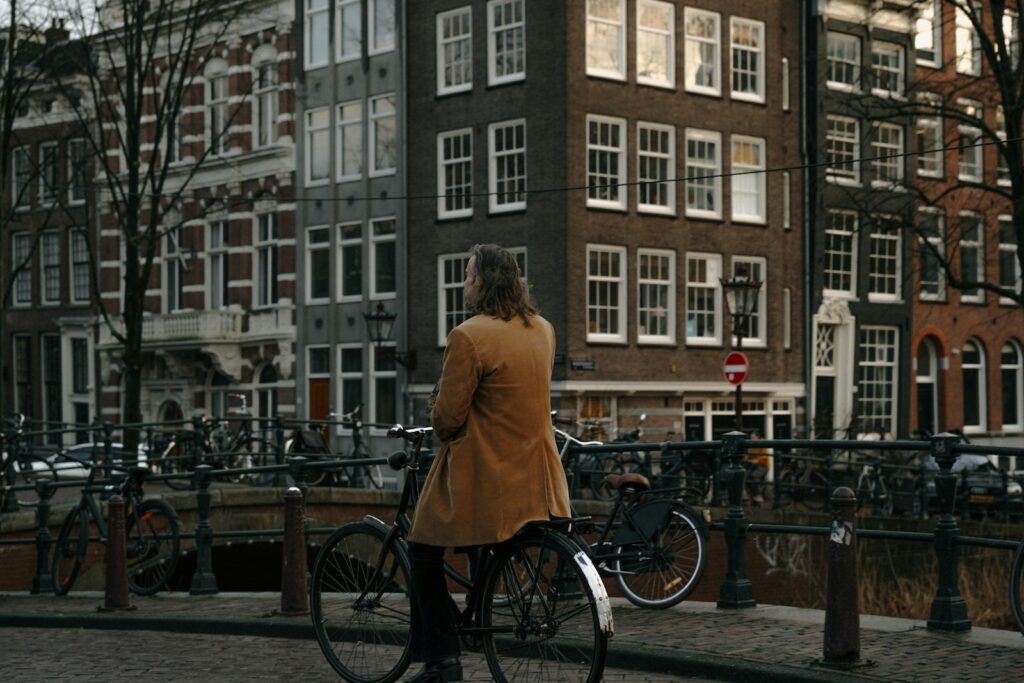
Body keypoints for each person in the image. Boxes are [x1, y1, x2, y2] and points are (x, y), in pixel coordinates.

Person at [405, 243, 571, 683]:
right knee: (482, 542)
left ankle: (442, 659)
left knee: (421, 550)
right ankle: (476, 615)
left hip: (485, 476)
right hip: (537, 477)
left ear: (482, 282)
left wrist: (435, 405)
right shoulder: (544, 330)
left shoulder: (469, 336)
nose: (463, 284)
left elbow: (447, 421)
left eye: (467, 276)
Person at [743, 430, 770, 506]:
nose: (751, 439)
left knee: (754, 476)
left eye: (753, 437)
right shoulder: (751, 445)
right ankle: (752, 496)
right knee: (745, 477)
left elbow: (765, 456)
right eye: (751, 437)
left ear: (758, 438)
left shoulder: (762, 444)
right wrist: (744, 458)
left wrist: (757, 460)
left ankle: (758, 495)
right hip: (754, 465)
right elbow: (748, 455)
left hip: (763, 465)